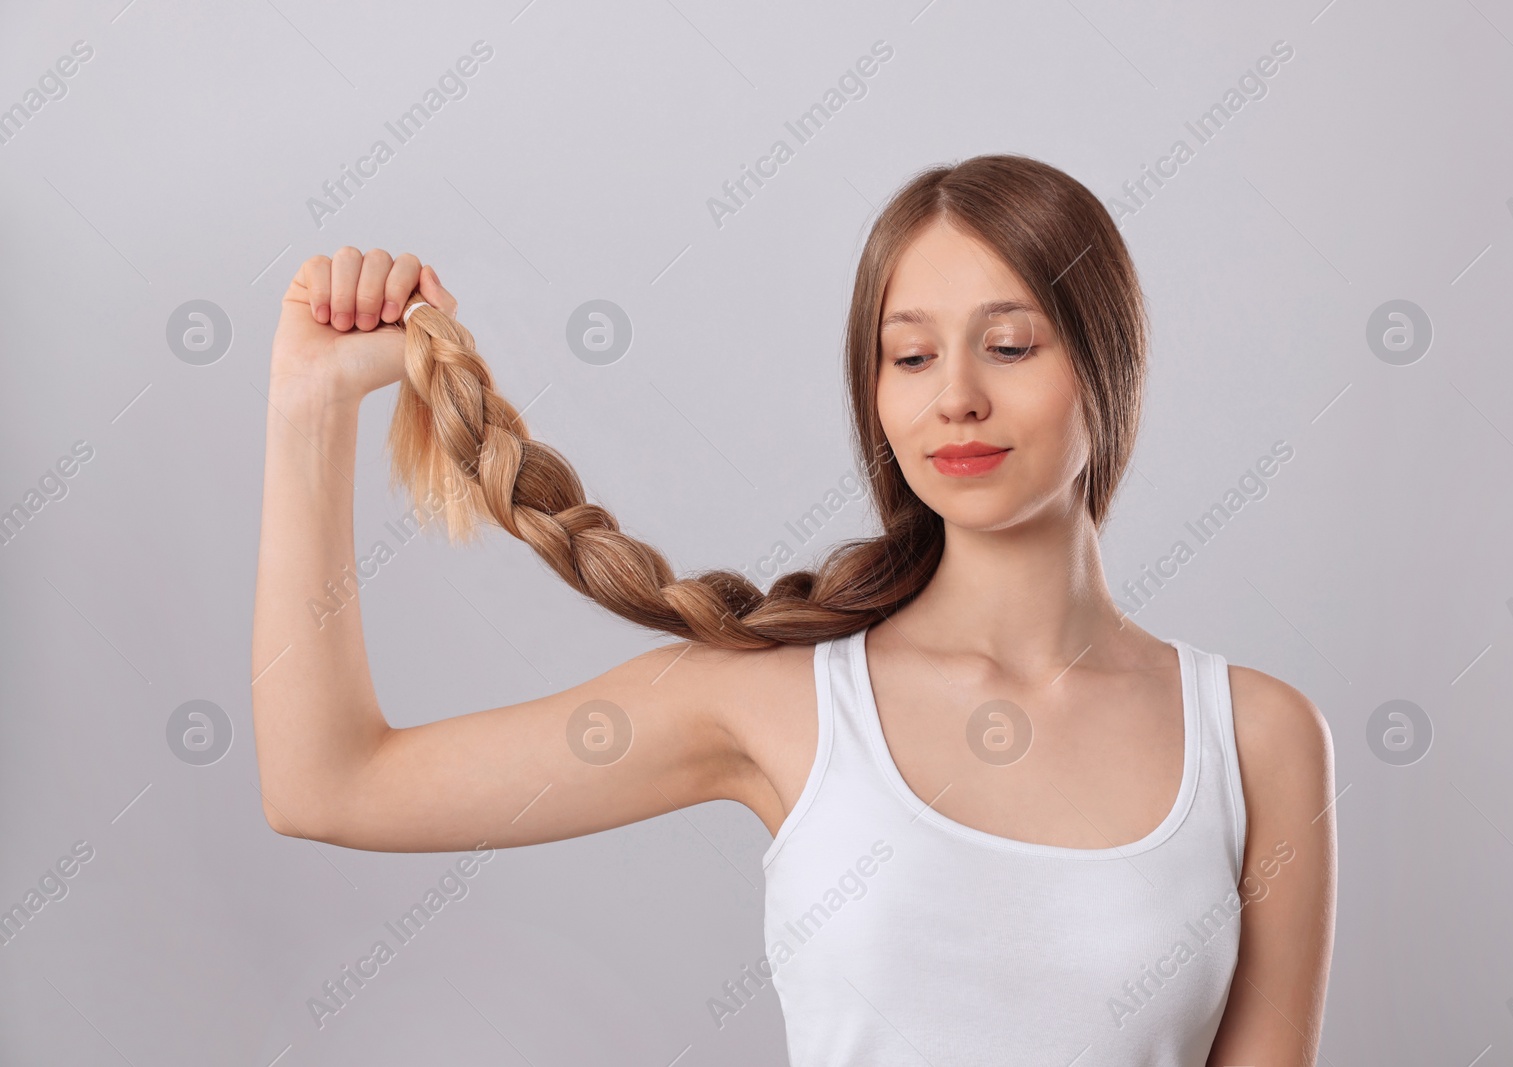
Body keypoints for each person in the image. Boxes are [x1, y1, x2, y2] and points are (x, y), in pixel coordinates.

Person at [252, 153, 1335, 1065]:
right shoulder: (776, 700)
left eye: (1009, 344)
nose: (954, 392)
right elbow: (329, 783)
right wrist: (310, 412)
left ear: (1107, 367)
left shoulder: (1255, 739)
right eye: (909, 355)